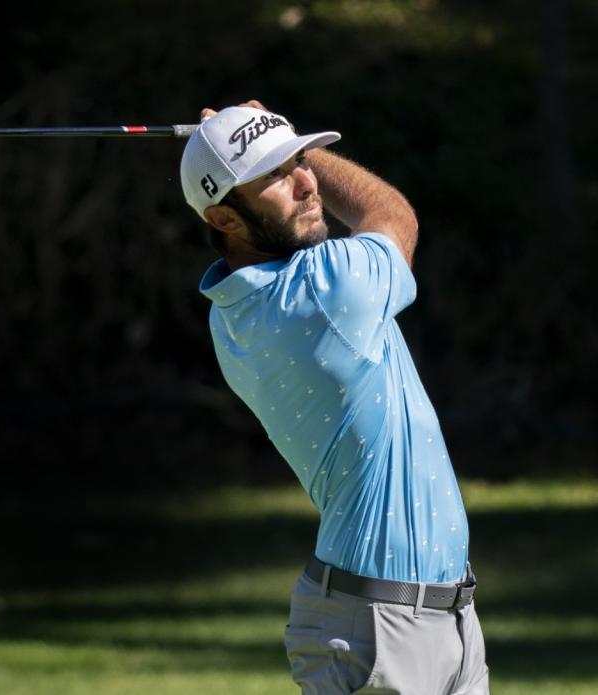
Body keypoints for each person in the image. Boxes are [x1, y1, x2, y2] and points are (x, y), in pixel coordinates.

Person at [180, 100, 489, 695]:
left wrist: (253, 144)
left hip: (430, 618)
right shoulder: (327, 291)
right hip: (380, 631)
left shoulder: (232, 315)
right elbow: (391, 215)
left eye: (300, 162)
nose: (306, 182)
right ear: (223, 218)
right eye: (275, 177)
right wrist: (291, 137)